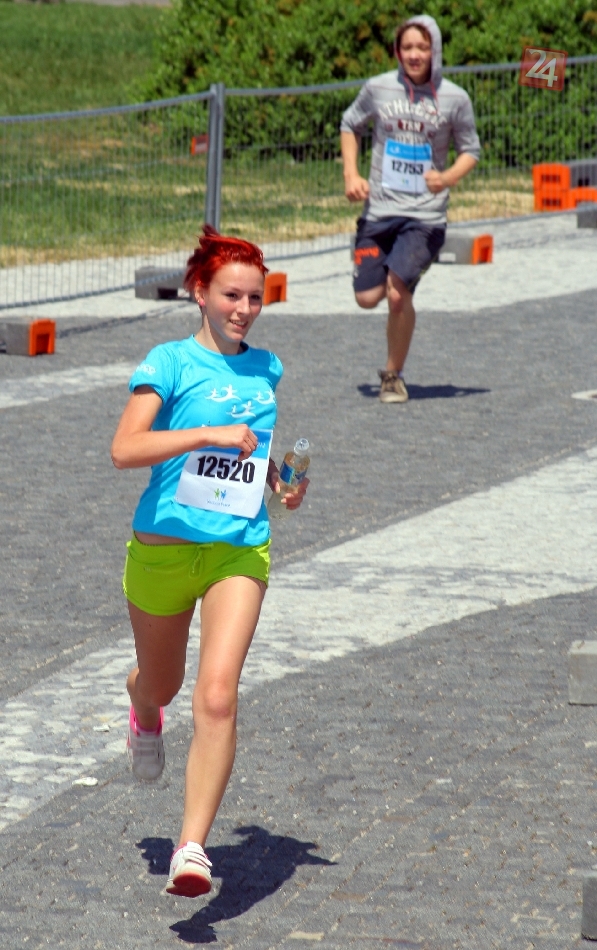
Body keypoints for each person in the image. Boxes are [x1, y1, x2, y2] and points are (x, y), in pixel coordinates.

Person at [111, 226, 308, 899]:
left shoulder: (266, 367)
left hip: (238, 548)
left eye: (255, 297)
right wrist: (206, 432)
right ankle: (142, 705)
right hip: (163, 550)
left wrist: (280, 481)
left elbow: (254, 448)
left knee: (217, 695)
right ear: (199, 291)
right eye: (231, 295)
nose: (244, 309)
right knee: (163, 684)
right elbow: (124, 448)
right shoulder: (168, 362)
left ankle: (190, 849)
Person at [340, 14, 481, 403]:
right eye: (407, 47)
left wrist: (446, 177)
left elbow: (471, 150)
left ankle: (392, 375)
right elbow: (350, 124)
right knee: (367, 298)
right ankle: (393, 272)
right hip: (379, 212)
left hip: (425, 216)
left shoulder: (455, 97)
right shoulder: (379, 88)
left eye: (422, 47)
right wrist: (351, 174)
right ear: (397, 52)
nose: (414, 54)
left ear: (435, 51)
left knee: (398, 294)